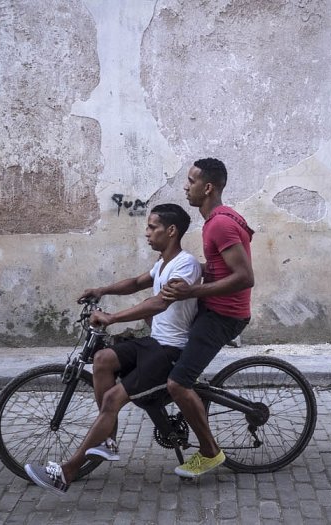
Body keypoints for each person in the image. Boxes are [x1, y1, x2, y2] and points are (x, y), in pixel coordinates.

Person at [25, 203, 202, 494]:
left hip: (171, 351)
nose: (147, 233)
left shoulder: (186, 264)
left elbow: (160, 302)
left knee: (112, 401)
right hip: (154, 342)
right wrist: (102, 290)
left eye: (152, 227)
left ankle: (67, 472)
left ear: (171, 231)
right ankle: (107, 439)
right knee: (103, 358)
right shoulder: (162, 263)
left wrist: (113, 317)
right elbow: (135, 283)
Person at [161, 158, 254, 478]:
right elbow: (220, 266)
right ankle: (191, 398)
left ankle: (209, 452)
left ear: (208, 187)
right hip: (213, 307)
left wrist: (191, 293)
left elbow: (244, 277)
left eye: (191, 181)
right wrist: (191, 271)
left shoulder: (220, 224)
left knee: (177, 382)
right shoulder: (214, 220)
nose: (186, 186)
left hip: (223, 315)